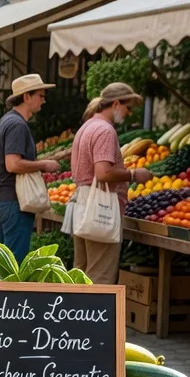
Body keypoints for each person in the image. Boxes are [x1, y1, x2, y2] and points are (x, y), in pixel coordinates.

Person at [71, 83, 153, 283]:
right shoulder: (105, 131)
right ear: (116, 104)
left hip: (81, 204)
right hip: (101, 210)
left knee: (80, 274)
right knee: (100, 276)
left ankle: (76, 313)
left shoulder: (86, 126)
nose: (129, 113)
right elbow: (103, 172)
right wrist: (134, 174)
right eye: (128, 107)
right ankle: (95, 314)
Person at [0, 74, 62, 261]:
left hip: (4, 199)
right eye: (41, 95)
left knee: (5, 263)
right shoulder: (17, 125)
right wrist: (44, 165)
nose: (44, 101)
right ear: (26, 97)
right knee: (15, 262)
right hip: (14, 201)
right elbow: (13, 164)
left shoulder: (8, 120)